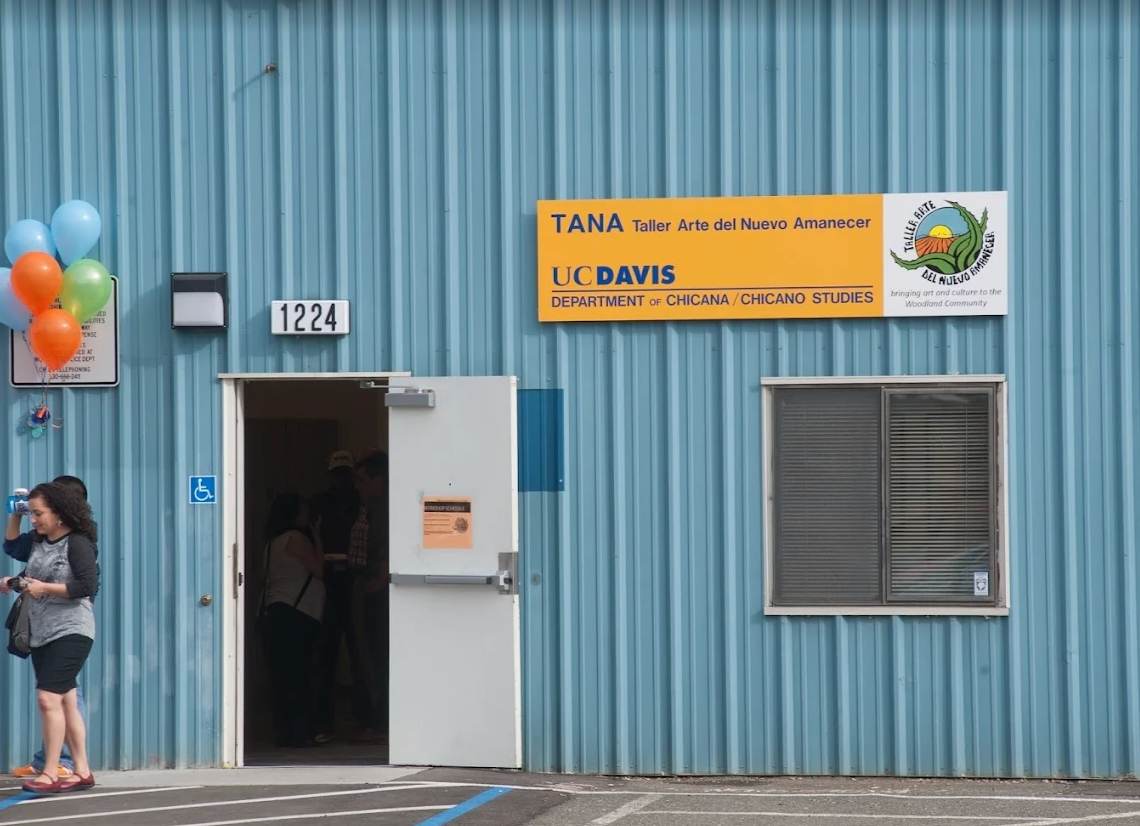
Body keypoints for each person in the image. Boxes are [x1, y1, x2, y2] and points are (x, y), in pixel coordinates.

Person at [0, 482, 99, 794]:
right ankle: (82, 771)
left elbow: (87, 586)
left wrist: (44, 588)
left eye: (38, 513)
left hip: (71, 630)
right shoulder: (38, 542)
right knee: (67, 701)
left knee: (48, 699)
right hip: (41, 631)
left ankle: (50, 772)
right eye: (30, 513)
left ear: (59, 513)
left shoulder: (78, 543)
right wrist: (14, 582)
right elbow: (22, 564)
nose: (33, 520)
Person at [310, 451, 372, 743]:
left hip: (355, 579)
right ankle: (323, 720)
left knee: (361, 654)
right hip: (329, 581)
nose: (343, 480)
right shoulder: (319, 504)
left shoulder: (363, 502)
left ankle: (364, 717)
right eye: (338, 474)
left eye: (347, 474)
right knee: (326, 654)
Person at [257, 493, 326, 748]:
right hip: (296, 614)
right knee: (300, 675)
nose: (307, 515)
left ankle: (284, 732)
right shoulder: (296, 538)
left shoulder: (270, 543)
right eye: (304, 511)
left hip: (272, 613)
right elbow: (318, 569)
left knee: (280, 677)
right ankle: (301, 733)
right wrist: (317, 537)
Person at [349, 452, 390, 745]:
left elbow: (387, 545)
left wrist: (381, 578)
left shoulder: (384, 508)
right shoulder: (369, 506)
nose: (357, 486)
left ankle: (383, 722)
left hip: (378, 587)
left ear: (380, 480)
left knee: (379, 655)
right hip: (368, 581)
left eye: (362, 480)